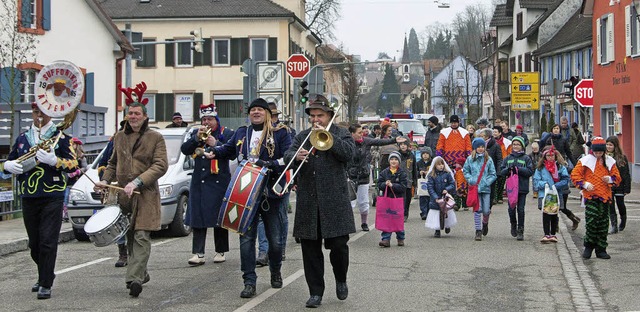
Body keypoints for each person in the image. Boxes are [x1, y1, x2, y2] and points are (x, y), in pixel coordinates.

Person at [210, 98, 291, 298]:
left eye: (260, 110)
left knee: (275, 240)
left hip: (270, 192)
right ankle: (249, 281)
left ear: (267, 114)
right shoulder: (241, 132)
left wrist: (271, 164)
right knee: (246, 240)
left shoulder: (280, 132)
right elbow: (228, 150)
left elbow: (288, 156)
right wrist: (213, 151)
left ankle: (275, 270)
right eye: (252, 110)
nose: (255, 112)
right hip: (244, 193)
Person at [95, 82, 169, 297]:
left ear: (145, 117)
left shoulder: (156, 137)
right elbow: (111, 163)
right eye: (130, 114)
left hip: (145, 194)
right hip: (123, 195)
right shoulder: (119, 137)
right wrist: (104, 180)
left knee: (141, 236)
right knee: (128, 236)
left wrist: (137, 182)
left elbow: (160, 165)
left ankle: (134, 279)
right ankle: (141, 273)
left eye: (137, 113)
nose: (133, 116)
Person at [284, 94, 356, 308]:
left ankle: (341, 279)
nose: (316, 120)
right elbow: (287, 155)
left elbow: (348, 155)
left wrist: (329, 140)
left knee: (339, 247)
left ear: (329, 116)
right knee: (310, 250)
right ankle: (316, 292)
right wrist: (295, 157)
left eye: (320, 116)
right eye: (313, 116)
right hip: (309, 200)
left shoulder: (341, 133)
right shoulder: (302, 136)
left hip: (334, 200)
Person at [1, 103, 78, 299]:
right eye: (36, 112)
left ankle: (45, 283)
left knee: (47, 241)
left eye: (43, 112)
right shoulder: (22, 139)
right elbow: (7, 165)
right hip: (29, 195)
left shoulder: (61, 138)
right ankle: (45, 273)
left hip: (52, 195)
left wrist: (55, 161)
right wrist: (7, 166)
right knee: (34, 243)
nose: (39, 116)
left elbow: (73, 165)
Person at [181, 103, 234, 266]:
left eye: (210, 119)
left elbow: (232, 154)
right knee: (198, 217)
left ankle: (220, 250)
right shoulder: (195, 133)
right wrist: (197, 138)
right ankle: (198, 253)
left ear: (216, 120)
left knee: (219, 217)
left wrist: (215, 143)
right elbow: (184, 149)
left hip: (219, 180)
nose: (207, 122)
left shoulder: (227, 133)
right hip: (200, 180)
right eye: (204, 119)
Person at [256, 102, 295, 265]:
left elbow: (289, 157)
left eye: (274, 116)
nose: (273, 119)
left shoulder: (286, 132)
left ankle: (280, 248)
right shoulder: (256, 132)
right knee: (260, 218)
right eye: (270, 115)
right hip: (260, 179)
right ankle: (264, 251)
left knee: (281, 216)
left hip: (281, 179)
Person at [348, 123, 406, 231]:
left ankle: (364, 223)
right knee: (350, 202)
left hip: (363, 175)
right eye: (359, 132)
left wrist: (394, 140)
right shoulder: (347, 143)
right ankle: (349, 224)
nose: (362, 134)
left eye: (362, 132)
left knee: (363, 201)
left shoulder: (366, 141)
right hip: (350, 176)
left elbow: (379, 142)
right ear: (352, 133)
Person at [571, 137, 621, 259]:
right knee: (592, 222)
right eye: (596, 152)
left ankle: (601, 249)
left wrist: (610, 179)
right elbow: (575, 175)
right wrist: (585, 184)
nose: (598, 154)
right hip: (591, 196)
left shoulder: (610, 161)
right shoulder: (585, 161)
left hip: (605, 196)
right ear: (593, 151)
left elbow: (617, 178)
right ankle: (588, 246)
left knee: (603, 223)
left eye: (601, 152)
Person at [98, 119, 129, 268]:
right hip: (115, 189)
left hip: (133, 188)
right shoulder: (114, 142)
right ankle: (122, 252)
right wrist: (105, 181)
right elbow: (104, 164)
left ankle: (136, 254)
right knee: (118, 220)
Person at [533, 146, 570, 243]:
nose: (550, 157)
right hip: (544, 194)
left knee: (554, 213)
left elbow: (565, 180)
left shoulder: (560, 167)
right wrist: (545, 184)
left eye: (552, 155)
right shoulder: (540, 168)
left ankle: (553, 234)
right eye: (548, 156)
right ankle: (546, 234)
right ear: (544, 157)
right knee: (546, 214)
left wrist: (556, 186)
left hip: (556, 193)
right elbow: (536, 181)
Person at [499, 136, 534, 241]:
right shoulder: (508, 158)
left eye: (518, 144)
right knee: (511, 209)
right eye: (514, 144)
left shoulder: (526, 158)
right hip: (511, 189)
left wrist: (519, 169)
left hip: (522, 188)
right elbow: (502, 171)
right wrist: (508, 169)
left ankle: (520, 229)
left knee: (521, 209)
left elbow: (530, 171)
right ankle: (513, 224)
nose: (516, 146)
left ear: (522, 146)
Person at [463, 137, 497, 241]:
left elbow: (493, 174)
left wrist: (487, 182)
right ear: (475, 148)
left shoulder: (488, 159)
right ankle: (478, 230)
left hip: (486, 188)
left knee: (486, 210)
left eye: (482, 147)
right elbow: (465, 171)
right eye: (479, 147)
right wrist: (471, 180)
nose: (481, 149)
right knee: (477, 209)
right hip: (475, 188)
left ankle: (485, 223)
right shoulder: (470, 159)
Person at [377, 151, 408, 247]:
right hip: (387, 199)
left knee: (397, 219)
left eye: (395, 159)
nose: (393, 161)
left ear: (398, 161)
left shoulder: (402, 173)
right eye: (392, 159)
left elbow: (403, 187)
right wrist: (384, 184)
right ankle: (386, 239)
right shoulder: (384, 172)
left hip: (398, 200)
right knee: (387, 219)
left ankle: (400, 237)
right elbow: (379, 184)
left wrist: (393, 185)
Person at [425, 156, 457, 237]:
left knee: (446, 212)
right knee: (436, 213)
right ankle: (437, 230)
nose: (441, 166)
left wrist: (447, 189)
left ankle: (447, 225)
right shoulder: (431, 176)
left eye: (442, 164)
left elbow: (452, 184)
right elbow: (430, 187)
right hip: (436, 198)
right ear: (435, 165)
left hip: (445, 197)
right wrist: (435, 197)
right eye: (439, 164)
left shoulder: (447, 174)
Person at [605, 136, 631, 233]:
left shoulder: (621, 158)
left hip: (619, 185)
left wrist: (627, 188)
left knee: (620, 204)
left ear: (615, 146)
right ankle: (614, 226)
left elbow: (626, 174)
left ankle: (623, 221)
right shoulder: (604, 157)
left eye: (610, 145)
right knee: (611, 205)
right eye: (607, 144)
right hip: (609, 185)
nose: (608, 147)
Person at [64, 137, 88, 222]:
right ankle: (65, 214)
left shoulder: (81, 157)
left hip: (77, 180)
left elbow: (85, 168)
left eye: (73, 144)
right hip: (68, 180)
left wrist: (77, 172)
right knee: (66, 197)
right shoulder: (68, 155)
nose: (72, 146)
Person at [478, 128, 502, 210]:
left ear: (487, 136)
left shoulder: (495, 145)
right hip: (480, 171)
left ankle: (488, 206)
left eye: (482, 136)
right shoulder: (478, 145)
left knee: (491, 189)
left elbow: (499, 159)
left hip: (491, 171)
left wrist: (499, 171)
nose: (481, 137)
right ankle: (481, 205)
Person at [398, 139, 417, 221]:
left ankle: (406, 213)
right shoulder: (397, 155)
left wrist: (415, 181)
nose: (403, 146)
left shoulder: (411, 155)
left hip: (409, 179)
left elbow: (414, 169)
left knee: (408, 198)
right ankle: (401, 214)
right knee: (401, 198)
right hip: (399, 180)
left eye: (404, 144)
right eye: (401, 144)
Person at [492, 126, 511, 205]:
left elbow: (509, 153)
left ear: (500, 133)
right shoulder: (491, 142)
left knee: (501, 180)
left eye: (495, 132)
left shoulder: (507, 142)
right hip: (493, 163)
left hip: (503, 163)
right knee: (494, 181)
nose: (494, 134)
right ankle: (494, 198)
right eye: (493, 132)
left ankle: (500, 197)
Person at [417, 148, 433, 220]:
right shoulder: (419, 163)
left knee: (430, 198)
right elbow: (415, 172)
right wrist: (419, 173)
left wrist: (429, 173)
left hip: (430, 182)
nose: (425, 155)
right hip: (422, 183)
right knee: (423, 198)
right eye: (423, 154)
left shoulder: (432, 162)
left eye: (427, 153)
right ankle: (424, 212)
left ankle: (430, 212)